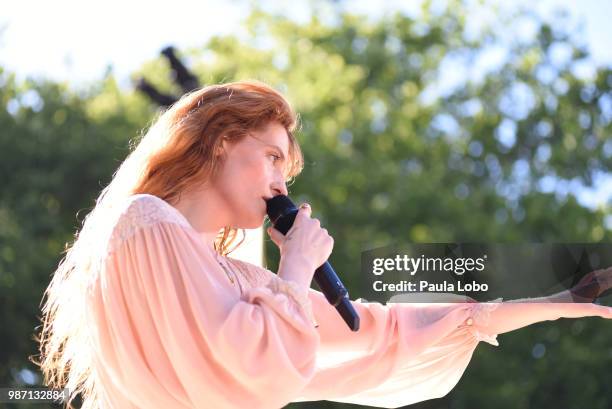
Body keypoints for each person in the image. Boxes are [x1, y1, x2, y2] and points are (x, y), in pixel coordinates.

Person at [35, 80, 612, 409]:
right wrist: (299, 262)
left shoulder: (248, 280)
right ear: (219, 141)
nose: (283, 183)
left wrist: (564, 298)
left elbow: (379, 333)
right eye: (272, 158)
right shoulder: (145, 223)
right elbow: (253, 365)